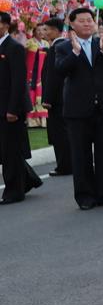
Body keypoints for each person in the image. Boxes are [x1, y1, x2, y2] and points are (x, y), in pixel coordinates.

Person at [54, 7, 103, 209]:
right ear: (72, 24)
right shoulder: (64, 47)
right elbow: (60, 70)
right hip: (77, 109)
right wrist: (75, 53)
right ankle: (85, 197)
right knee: (80, 154)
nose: (87, 23)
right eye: (82, 21)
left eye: (89, 20)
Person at [0, 12, 43, 204]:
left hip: (10, 107)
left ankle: (14, 191)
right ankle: (28, 179)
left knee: (10, 150)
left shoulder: (14, 48)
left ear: (5, 25)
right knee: (6, 149)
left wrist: (13, 109)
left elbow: (18, 81)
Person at [39, 18, 71, 177]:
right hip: (65, 97)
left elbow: (53, 76)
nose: (44, 33)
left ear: (57, 31)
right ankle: (69, 163)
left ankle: (64, 165)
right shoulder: (64, 45)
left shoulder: (55, 48)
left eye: (48, 30)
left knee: (59, 133)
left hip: (57, 99)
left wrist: (47, 98)